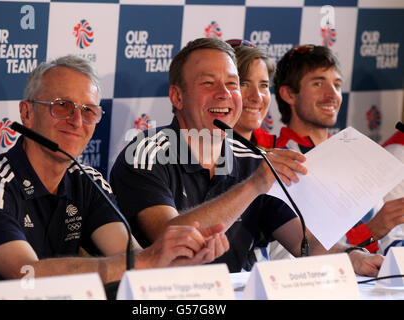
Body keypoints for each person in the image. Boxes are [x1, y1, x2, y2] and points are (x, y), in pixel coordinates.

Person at [0, 54, 230, 296]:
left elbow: (128, 257)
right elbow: (27, 275)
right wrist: (143, 262)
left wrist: (181, 260)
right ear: (26, 113)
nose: (76, 121)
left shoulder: (89, 181)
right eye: (62, 106)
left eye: (88, 111)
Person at [110, 38, 383, 276]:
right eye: (208, 83)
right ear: (177, 97)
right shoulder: (145, 154)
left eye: (232, 83)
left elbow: (305, 241)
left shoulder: (252, 160)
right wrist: (253, 185)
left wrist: (354, 258)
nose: (225, 94)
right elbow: (168, 236)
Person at [273, 44, 404, 256]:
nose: (331, 95)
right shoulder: (279, 162)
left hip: (372, 285)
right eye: (318, 83)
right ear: (289, 94)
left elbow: (392, 241)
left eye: (337, 84)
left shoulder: (356, 155)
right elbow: (287, 258)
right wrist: (369, 233)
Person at [226, 39, 276, 151]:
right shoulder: (196, 153)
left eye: (263, 85)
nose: (257, 97)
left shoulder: (277, 152)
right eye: (243, 84)